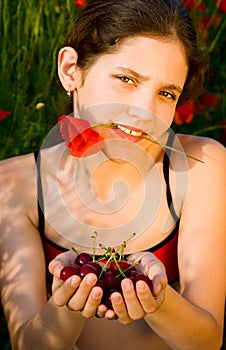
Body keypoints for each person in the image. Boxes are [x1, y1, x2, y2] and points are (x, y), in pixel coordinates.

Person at [0, 0, 225, 349]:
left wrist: (158, 300)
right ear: (71, 69)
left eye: (166, 93)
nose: (144, 111)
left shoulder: (202, 165)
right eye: (126, 79)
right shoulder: (15, 185)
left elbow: (206, 341)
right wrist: (70, 304)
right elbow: (29, 343)